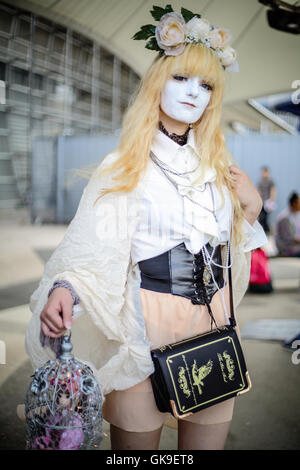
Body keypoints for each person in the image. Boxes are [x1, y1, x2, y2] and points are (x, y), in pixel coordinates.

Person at [25, 6, 267, 450]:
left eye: (206, 84)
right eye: (181, 78)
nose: (194, 92)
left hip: (210, 329)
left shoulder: (219, 168)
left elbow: (227, 259)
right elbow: (90, 247)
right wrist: (66, 288)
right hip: (142, 331)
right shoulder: (124, 166)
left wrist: (249, 209)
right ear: (158, 82)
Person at [275, 191, 300, 257]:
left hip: (293, 246)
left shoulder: (295, 215)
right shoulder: (285, 217)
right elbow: (289, 238)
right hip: (286, 249)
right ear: (294, 203)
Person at [257, 166, 276, 234]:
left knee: (265, 217)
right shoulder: (260, 181)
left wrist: (272, 200)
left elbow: (273, 191)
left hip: (267, 202)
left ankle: (266, 230)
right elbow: (258, 191)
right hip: (261, 201)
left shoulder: (270, 181)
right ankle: (264, 230)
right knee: (261, 217)